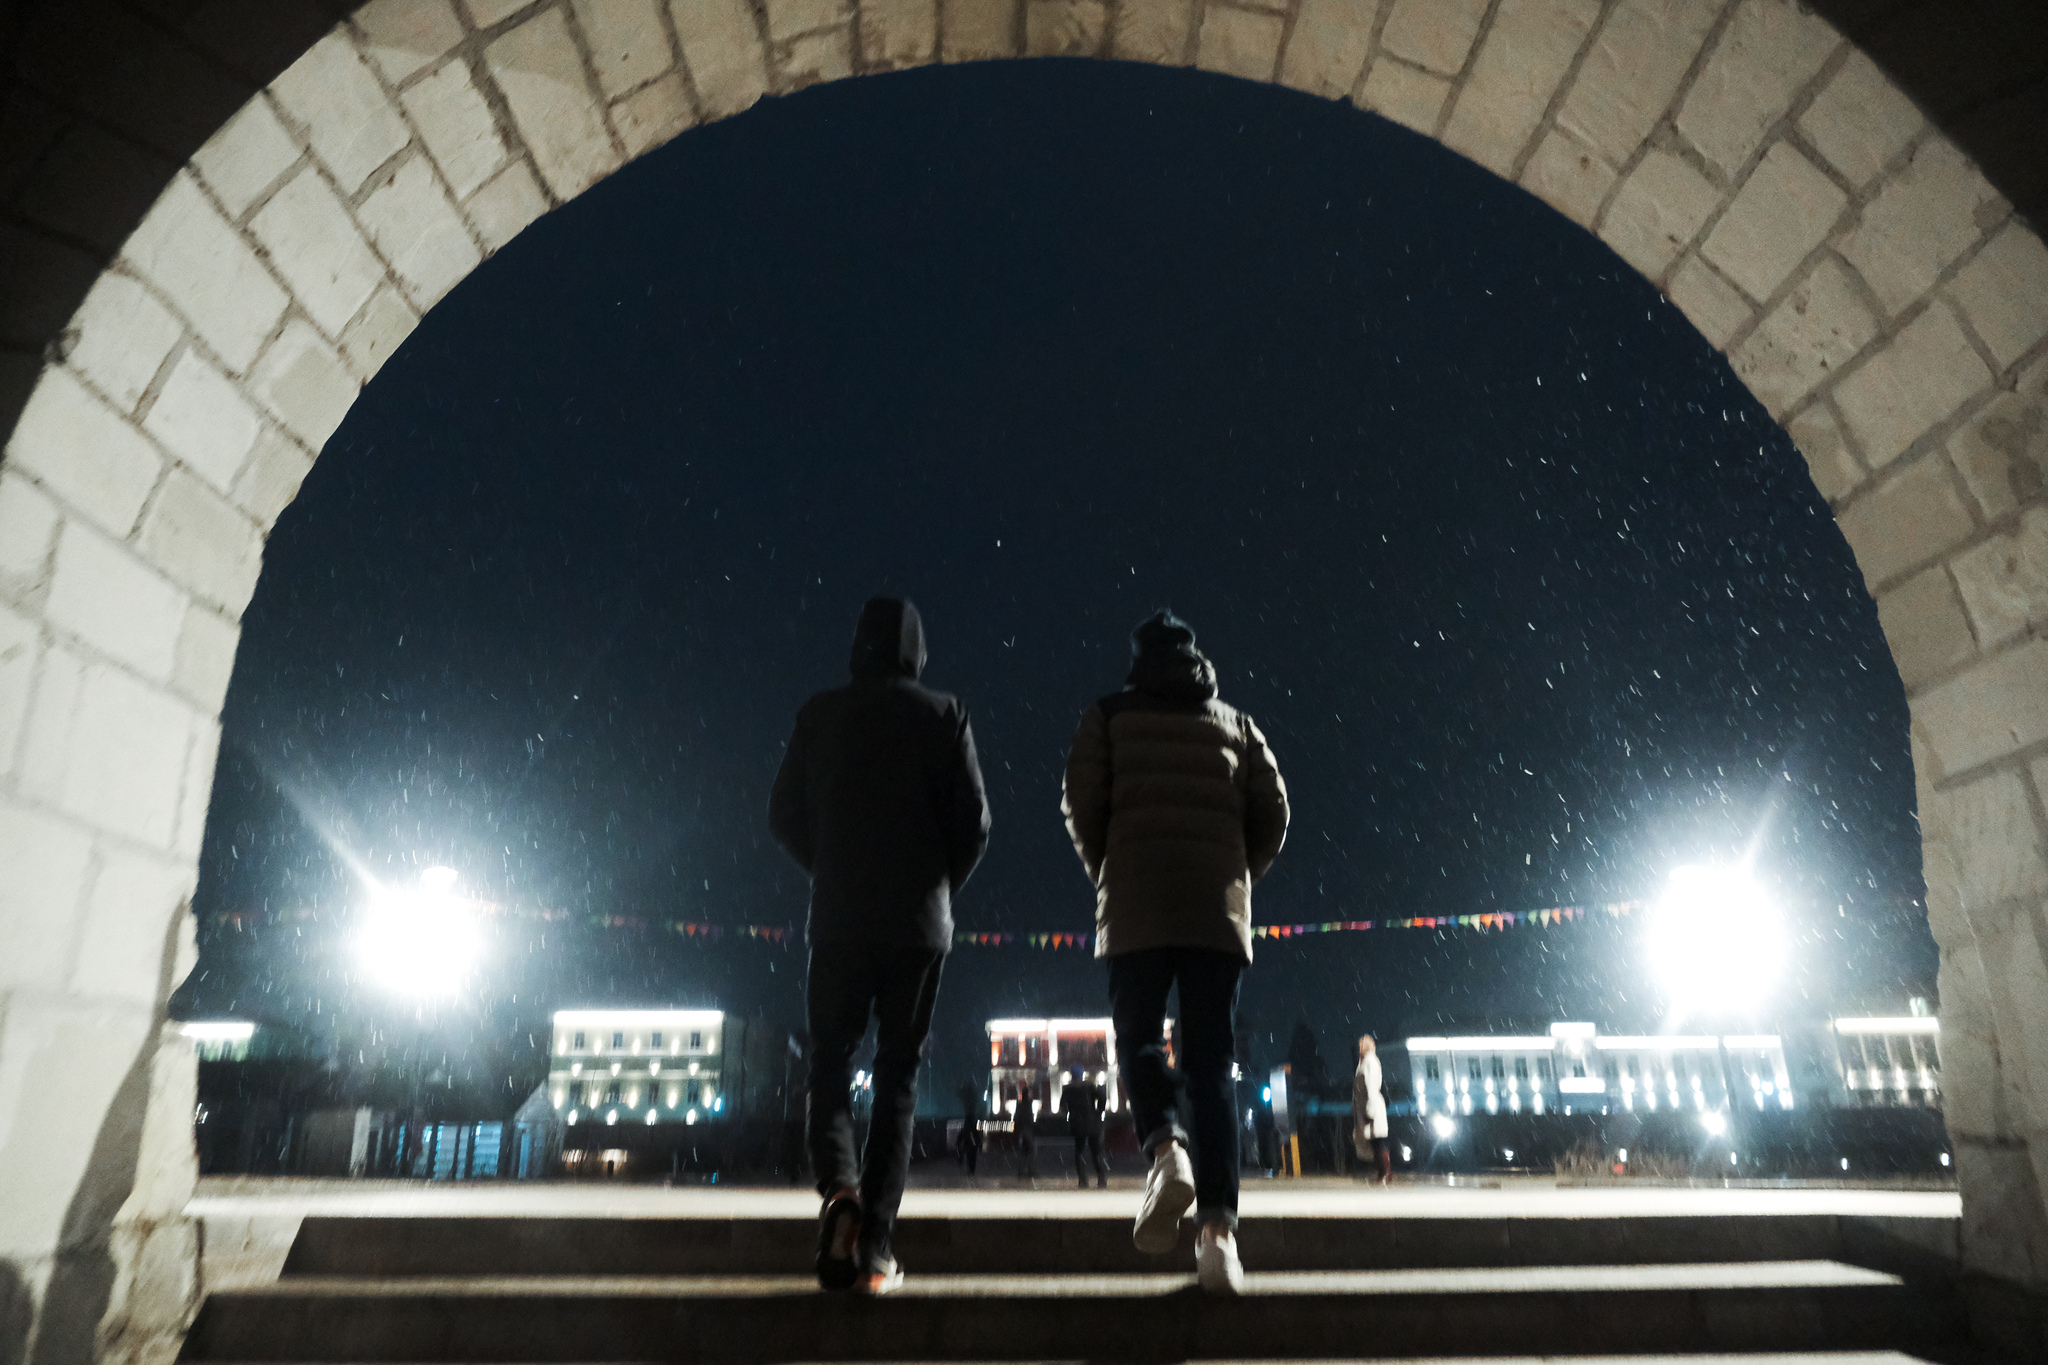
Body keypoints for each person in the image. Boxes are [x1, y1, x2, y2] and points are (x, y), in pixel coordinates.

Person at [1062, 610, 1289, 1295]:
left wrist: (1111, 866)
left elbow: (1080, 802)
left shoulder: (1108, 716)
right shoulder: (1237, 724)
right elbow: (1274, 812)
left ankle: (1165, 1146)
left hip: (1136, 903)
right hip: (1214, 914)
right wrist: (1235, 874)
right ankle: (1219, 1236)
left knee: (1137, 1036)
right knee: (1213, 1064)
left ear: (1138, 660)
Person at [770, 597, 992, 1296]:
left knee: (829, 1060)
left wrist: (831, 866)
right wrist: (935, 884)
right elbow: (976, 824)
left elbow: (782, 815)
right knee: (897, 1076)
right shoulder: (944, 713)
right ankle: (875, 1249)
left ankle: (838, 1191)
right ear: (917, 651)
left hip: (838, 919)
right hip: (918, 926)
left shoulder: (819, 714)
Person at [1353, 1035, 1391, 1184]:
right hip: (1368, 1105)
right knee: (1375, 1142)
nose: (1359, 1049)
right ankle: (1383, 1173)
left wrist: (1370, 1109)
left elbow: (1371, 1086)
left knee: (1378, 1142)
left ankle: (1385, 1173)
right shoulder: (1366, 1062)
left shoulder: (1370, 1062)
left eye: (1361, 1046)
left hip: (1372, 1105)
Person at [1067, 1071, 1109, 1188]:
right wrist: (1099, 1112)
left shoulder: (1069, 1090)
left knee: (1079, 1152)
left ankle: (1083, 1180)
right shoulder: (1089, 1088)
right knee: (1095, 1152)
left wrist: (1070, 1115)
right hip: (1092, 1124)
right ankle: (1101, 1179)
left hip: (1078, 1125)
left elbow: (1063, 1105)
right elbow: (1102, 1097)